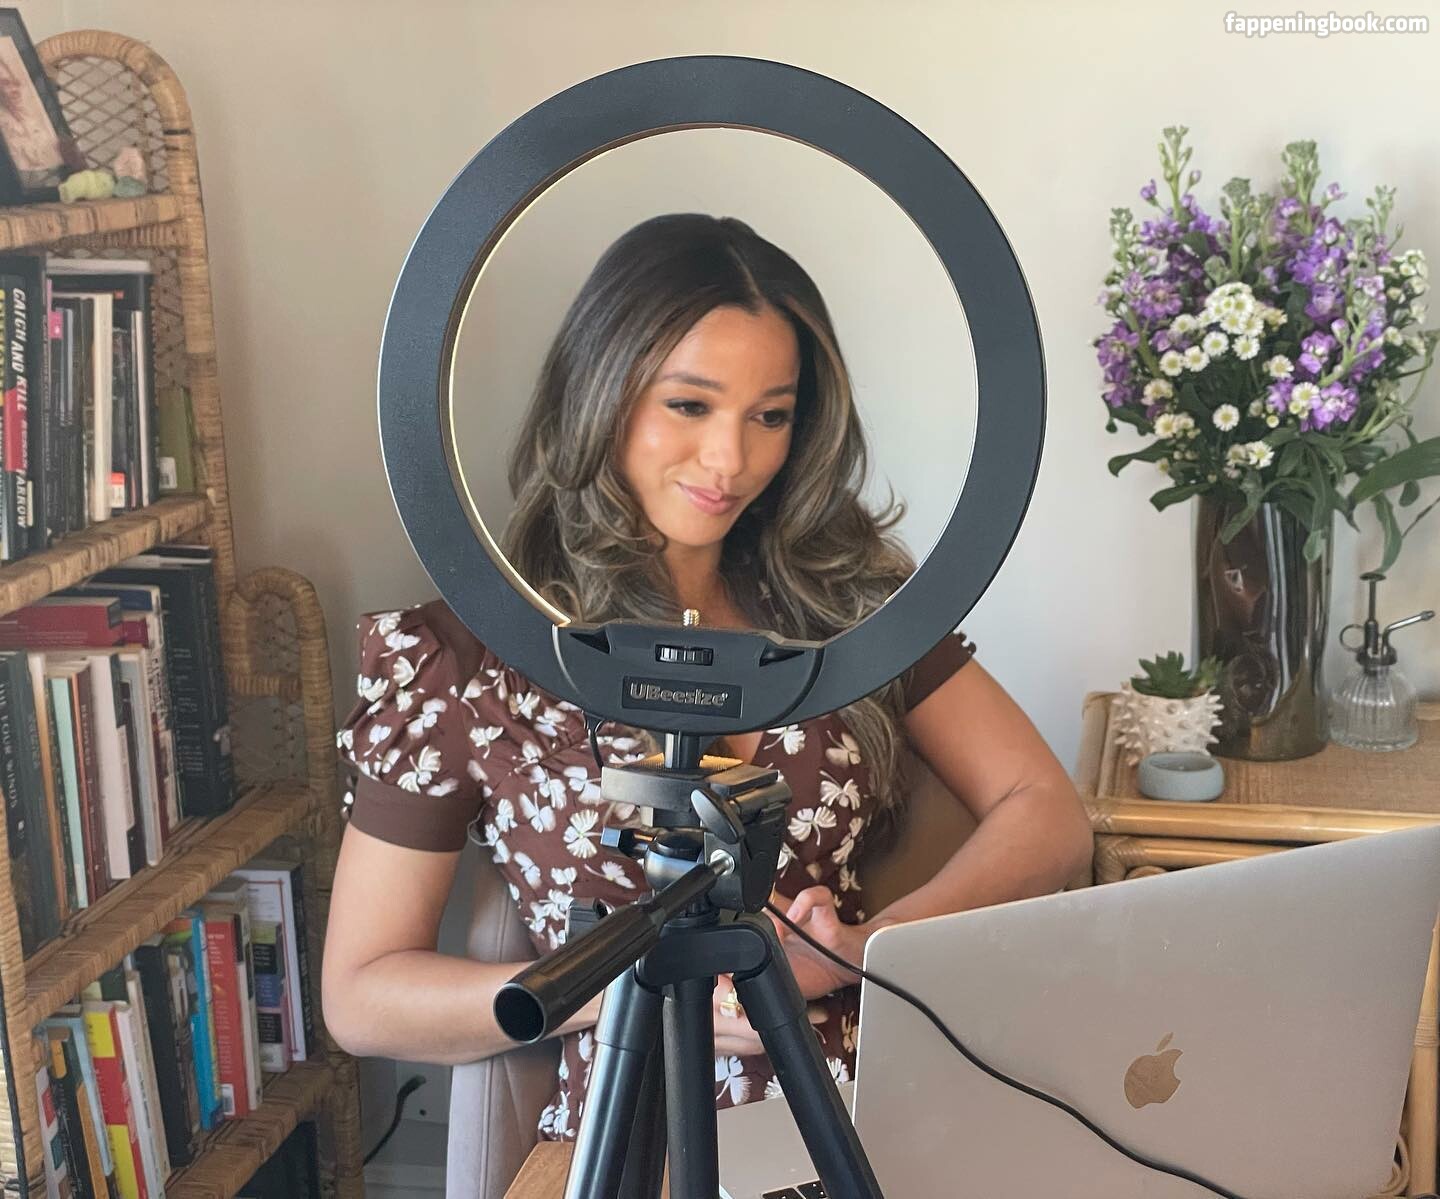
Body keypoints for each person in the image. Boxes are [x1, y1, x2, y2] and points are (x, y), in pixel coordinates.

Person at [322, 213, 1093, 1141]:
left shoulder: (845, 606)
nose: (732, 460)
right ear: (600, 391)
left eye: (771, 415)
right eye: (689, 405)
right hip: (632, 1138)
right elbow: (361, 996)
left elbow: (1046, 809)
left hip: (865, 1115)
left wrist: (865, 949)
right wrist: (617, 986)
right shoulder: (466, 657)